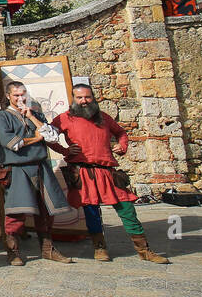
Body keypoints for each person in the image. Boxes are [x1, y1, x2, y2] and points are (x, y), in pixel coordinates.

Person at [50, 84, 169, 264]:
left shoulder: (103, 117)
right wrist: (65, 151)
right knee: (91, 212)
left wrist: (122, 146)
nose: (84, 101)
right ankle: (100, 248)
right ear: (73, 99)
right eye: (80, 97)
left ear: (93, 98)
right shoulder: (65, 118)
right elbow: (49, 136)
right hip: (83, 172)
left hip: (107, 171)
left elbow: (121, 133)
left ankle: (144, 250)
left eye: (87, 97)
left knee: (127, 209)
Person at [0, 82, 74, 266]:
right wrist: (37, 138)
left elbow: (52, 136)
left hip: (40, 167)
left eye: (23, 95)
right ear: (8, 96)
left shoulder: (35, 114)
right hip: (17, 169)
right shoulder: (2, 117)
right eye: (16, 95)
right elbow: (11, 143)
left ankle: (47, 250)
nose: (20, 98)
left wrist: (32, 117)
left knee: (45, 211)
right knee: (16, 212)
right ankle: (13, 252)